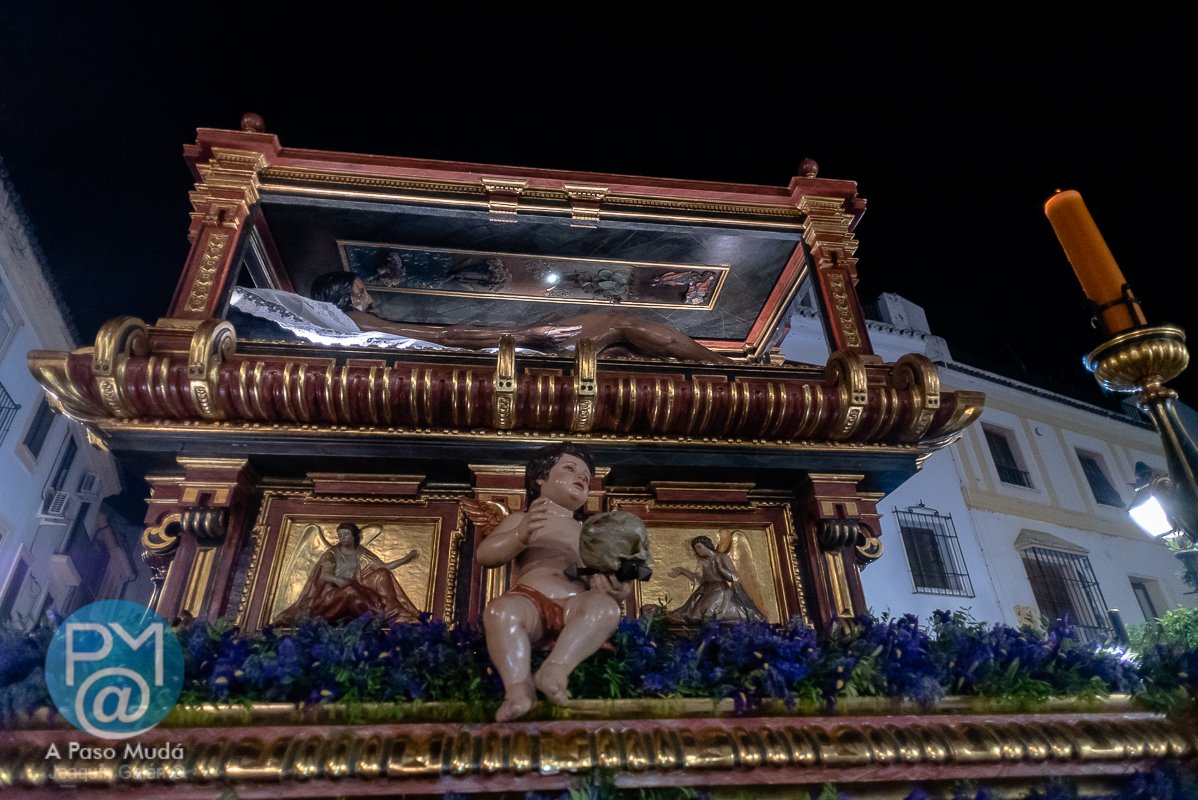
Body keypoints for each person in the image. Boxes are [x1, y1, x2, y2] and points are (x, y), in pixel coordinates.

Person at [476, 443, 629, 722]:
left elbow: (611, 576)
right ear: (540, 478)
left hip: (575, 604)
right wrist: (519, 536)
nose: (581, 476)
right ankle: (519, 689)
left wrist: (617, 589)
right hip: (531, 601)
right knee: (501, 611)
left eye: (586, 475)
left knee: (606, 608)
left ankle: (556, 668)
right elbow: (486, 555)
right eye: (570, 469)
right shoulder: (522, 520)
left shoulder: (591, 533)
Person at [309, 271, 733, 362]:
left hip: (500, 346)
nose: (366, 293)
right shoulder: (358, 323)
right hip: (500, 351)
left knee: (625, 350)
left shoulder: (360, 323)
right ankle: (725, 370)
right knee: (616, 321)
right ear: (343, 295)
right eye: (359, 289)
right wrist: (526, 334)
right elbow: (443, 335)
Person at [275, 522, 421, 625]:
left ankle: (392, 612)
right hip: (331, 597)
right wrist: (336, 579)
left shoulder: (360, 551)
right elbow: (325, 575)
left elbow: (384, 567)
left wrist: (406, 558)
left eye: (346, 534)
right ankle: (377, 616)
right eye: (340, 535)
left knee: (382, 574)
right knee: (350, 591)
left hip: (354, 587)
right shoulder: (331, 553)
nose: (342, 538)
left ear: (355, 536)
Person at [667, 535, 765, 623]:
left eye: (699, 547)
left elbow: (734, 577)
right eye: (695, 549)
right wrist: (682, 571)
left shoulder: (721, 557)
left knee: (708, 613)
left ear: (707, 545)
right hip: (707, 589)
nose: (697, 551)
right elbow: (699, 579)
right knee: (695, 614)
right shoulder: (702, 562)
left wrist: (721, 569)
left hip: (720, 589)